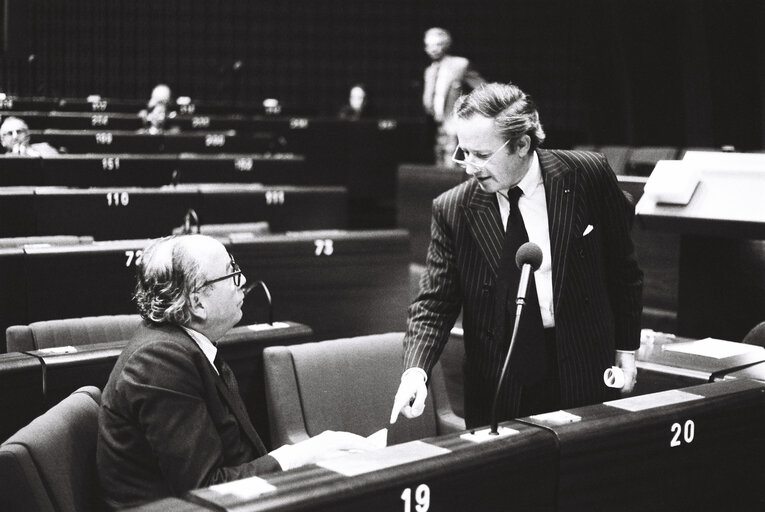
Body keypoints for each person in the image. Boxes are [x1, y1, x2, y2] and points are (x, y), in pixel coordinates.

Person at [391, 83, 643, 429]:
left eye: (481, 155)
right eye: (464, 152)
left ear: (522, 144)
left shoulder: (588, 174)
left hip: (584, 364)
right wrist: (415, 372)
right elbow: (434, 302)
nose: (469, 166)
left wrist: (626, 352)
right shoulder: (453, 208)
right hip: (500, 376)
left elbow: (623, 270)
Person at [97, 234, 374, 509]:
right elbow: (206, 488)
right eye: (231, 274)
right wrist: (299, 457)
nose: (241, 281)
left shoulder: (182, 345)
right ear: (197, 303)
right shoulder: (159, 362)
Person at [422, 27, 485, 167]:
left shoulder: (459, 65)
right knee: (439, 167)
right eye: (429, 45)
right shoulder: (430, 70)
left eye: (437, 44)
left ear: (446, 45)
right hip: (436, 126)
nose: (433, 49)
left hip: (454, 126)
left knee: (452, 167)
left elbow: (483, 90)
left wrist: (467, 115)